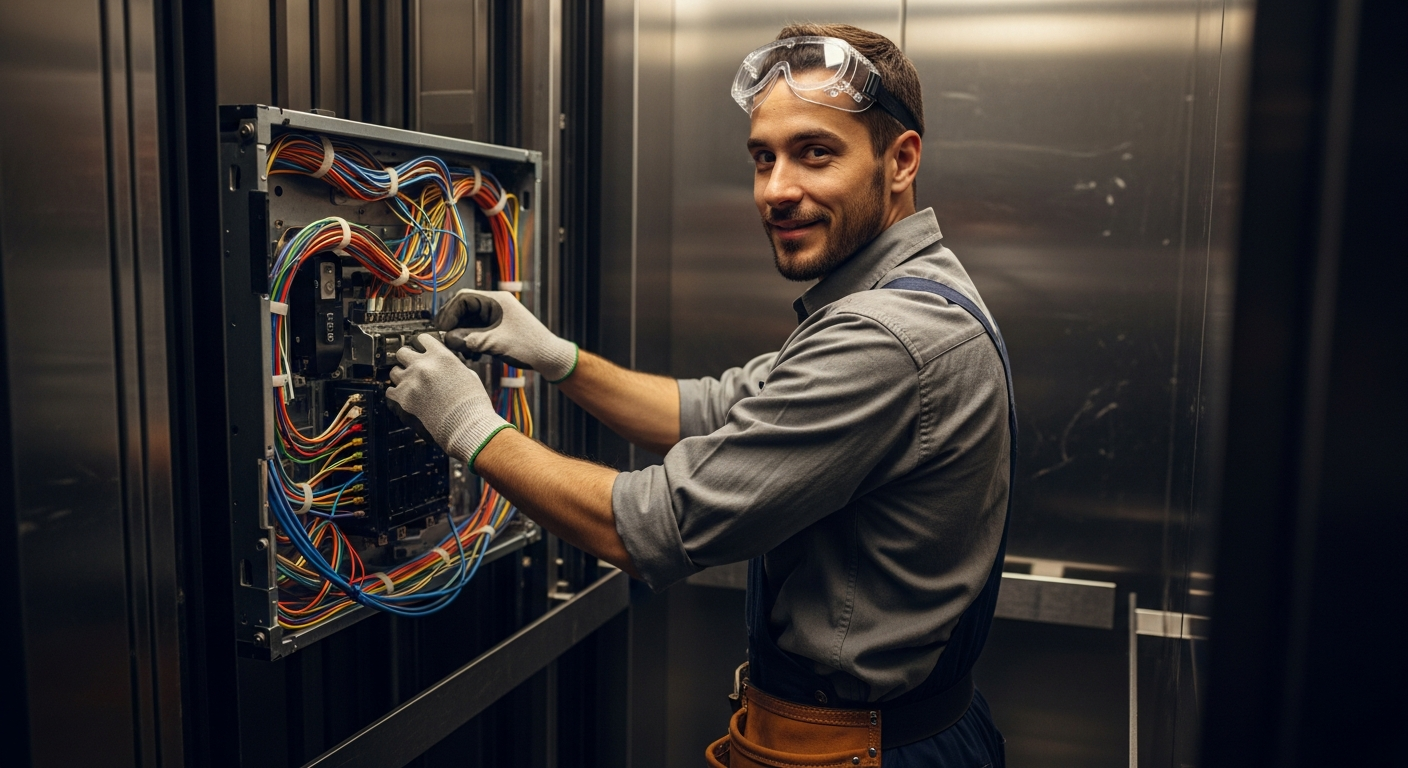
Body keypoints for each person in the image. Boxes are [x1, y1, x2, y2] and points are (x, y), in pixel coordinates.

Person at [388, 23, 1013, 767]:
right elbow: (713, 408)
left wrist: (468, 424)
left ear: (900, 159)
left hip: (866, 750)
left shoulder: (885, 339)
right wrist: (559, 359)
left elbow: (649, 527)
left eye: (816, 153)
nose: (776, 190)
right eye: (763, 158)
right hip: (909, 728)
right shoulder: (912, 294)